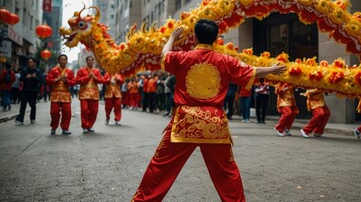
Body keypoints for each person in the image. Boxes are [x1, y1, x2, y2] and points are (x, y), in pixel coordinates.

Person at [132, 19, 287, 201]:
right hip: (214, 124)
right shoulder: (225, 60)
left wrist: (172, 38)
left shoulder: (183, 58)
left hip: (184, 122)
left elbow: (165, 55)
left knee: (161, 166)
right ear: (215, 39)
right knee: (227, 172)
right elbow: (251, 71)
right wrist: (271, 69)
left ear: (195, 37)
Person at [46, 54, 76, 135]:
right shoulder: (53, 70)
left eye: (64, 59)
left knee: (67, 112)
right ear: (58, 61)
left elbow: (73, 82)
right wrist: (57, 79)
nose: (63, 61)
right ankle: (53, 127)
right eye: (61, 59)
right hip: (55, 93)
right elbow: (48, 80)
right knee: (54, 112)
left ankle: (65, 128)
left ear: (66, 61)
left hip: (65, 94)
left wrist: (67, 81)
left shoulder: (69, 72)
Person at [75, 56, 103, 133]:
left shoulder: (96, 71)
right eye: (89, 60)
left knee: (94, 111)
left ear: (93, 61)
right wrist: (87, 77)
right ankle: (84, 126)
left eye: (92, 60)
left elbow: (101, 80)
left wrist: (94, 77)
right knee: (84, 110)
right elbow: (77, 80)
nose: (90, 61)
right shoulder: (81, 70)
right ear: (86, 61)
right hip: (84, 93)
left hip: (94, 94)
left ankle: (90, 125)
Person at [15, 58, 43, 125]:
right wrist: (26, 77)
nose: (29, 63)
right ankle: (20, 120)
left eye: (31, 62)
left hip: (33, 91)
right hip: (25, 90)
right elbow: (21, 78)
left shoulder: (38, 71)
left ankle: (32, 118)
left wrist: (35, 77)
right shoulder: (24, 70)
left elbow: (41, 80)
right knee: (23, 105)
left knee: (32, 105)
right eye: (29, 62)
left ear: (34, 63)